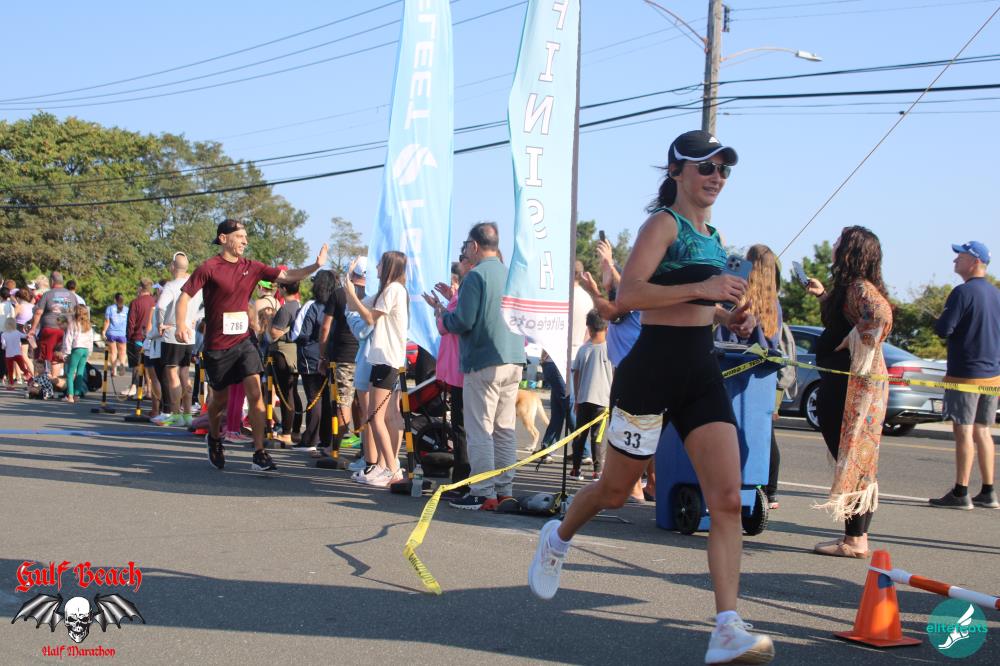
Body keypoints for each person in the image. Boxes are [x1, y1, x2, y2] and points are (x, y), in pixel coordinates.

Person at [527, 130, 771, 664]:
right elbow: (629, 296)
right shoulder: (663, 224)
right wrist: (704, 289)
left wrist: (730, 317)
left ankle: (726, 627)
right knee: (616, 492)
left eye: (723, 168)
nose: (716, 177)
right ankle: (557, 538)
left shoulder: (713, 236)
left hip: (701, 373)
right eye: (706, 166)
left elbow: (699, 305)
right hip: (650, 373)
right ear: (676, 171)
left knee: (728, 500)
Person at [174, 218, 328, 473]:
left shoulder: (252, 267)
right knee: (219, 401)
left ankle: (259, 452)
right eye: (240, 236)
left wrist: (315, 266)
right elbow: (185, 296)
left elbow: (287, 275)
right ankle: (214, 437)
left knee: (256, 394)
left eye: (246, 237)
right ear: (223, 238)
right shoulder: (209, 267)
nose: (245, 241)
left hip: (245, 341)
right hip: (218, 344)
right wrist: (180, 323)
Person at [803, 226, 893, 558]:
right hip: (842, 383)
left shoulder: (860, 287)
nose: (834, 244)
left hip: (850, 386)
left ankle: (855, 540)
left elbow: (880, 315)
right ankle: (855, 537)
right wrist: (823, 296)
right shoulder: (852, 288)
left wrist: (853, 339)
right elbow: (850, 317)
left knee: (854, 457)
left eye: (840, 241)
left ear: (851, 250)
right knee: (853, 456)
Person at [431, 222, 526, 511]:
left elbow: (463, 321)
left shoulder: (476, 276)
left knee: (480, 429)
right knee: (504, 429)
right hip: (513, 358)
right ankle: (504, 490)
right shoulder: (511, 273)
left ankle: (482, 492)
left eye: (465, 247)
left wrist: (442, 318)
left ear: (474, 246)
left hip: (483, 361)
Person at [929, 241, 1000, 510]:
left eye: (960, 256)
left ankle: (961, 491)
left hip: (966, 374)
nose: (955, 260)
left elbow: (944, 329)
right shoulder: (996, 294)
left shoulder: (962, 292)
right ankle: (988, 491)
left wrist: (940, 320)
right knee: (983, 430)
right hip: (993, 374)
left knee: (964, 431)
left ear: (975, 261)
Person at [715, 244, 784, 510]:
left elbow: (724, 338)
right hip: (763, 376)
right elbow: (774, 341)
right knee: (762, 432)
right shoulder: (774, 305)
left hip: (733, 370)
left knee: (727, 428)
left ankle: (726, 482)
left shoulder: (738, 300)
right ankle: (768, 490)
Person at [343, 252, 409, 488]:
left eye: (380, 264)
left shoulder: (394, 290)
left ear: (389, 266)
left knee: (376, 417)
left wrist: (352, 292)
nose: (377, 267)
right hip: (380, 359)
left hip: (388, 360)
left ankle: (392, 469)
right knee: (375, 416)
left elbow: (370, 318)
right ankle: (384, 467)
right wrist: (348, 284)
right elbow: (355, 306)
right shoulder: (386, 291)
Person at [423, 256, 474, 497]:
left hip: (459, 369)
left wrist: (438, 309)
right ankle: (466, 480)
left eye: (463, 259)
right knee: (466, 427)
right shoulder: (466, 292)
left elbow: (447, 325)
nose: (460, 262)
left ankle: (462, 481)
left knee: (462, 428)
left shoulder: (468, 291)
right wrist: (445, 302)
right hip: (461, 367)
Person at [320, 257, 368, 450]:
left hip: (344, 356)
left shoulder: (339, 294)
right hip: (366, 355)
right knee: (365, 404)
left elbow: (325, 327)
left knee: (343, 403)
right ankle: (366, 451)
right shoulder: (374, 294)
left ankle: (335, 449)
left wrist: (322, 355)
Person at [153, 252, 202, 427]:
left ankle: (175, 414)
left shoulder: (171, 286)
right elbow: (204, 306)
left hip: (173, 332)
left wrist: (160, 324)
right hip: (189, 334)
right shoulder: (196, 286)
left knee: (172, 373)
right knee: (184, 373)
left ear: (173, 267)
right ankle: (187, 414)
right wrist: (195, 318)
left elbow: (160, 306)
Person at [569, 310, 614, 481]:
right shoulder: (611, 349)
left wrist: (577, 396)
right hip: (603, 401)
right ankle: (598, 471)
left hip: (584, 399)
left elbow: (576, 374)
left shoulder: (583, 349)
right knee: (598, 437)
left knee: (580, 435)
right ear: (607, 328)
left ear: (588, 328)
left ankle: (576, 469)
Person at [293, 271, 334, 454]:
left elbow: (303, 333)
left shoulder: (314, 307)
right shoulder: (336, 307)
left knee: (313, 398)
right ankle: (325, 439)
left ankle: (310, 438)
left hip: (311, 356)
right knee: (326, 399)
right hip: (330, 356)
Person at [268, 282, 303, 445]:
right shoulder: (299, 306)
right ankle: (295, 431)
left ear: (283, 289)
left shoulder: (285, 308)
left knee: (285, 394)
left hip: (283, 353)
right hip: (295, 354)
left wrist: (270, 319)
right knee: (293, 392)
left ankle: (287, 433)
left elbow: (274, 333)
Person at [27, 271, 74, 376]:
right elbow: (75, 314)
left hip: (49, 329)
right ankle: (54, 380)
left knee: (41, 357)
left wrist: (33, 329)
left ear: (52, 281)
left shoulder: (48, 294)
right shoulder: (71, 295)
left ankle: (39, 382)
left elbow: (38, 312)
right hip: (65, 331)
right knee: (56, 357)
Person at [124, 279, 156, 398]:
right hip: (152, 339)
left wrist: (129, 337)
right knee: (149, 366)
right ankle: (149, 390)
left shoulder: (135, 302)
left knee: (137, 365)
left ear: (140, 288)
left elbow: (131, 323)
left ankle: (136, 389)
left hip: (137, 338)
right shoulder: (155, 302)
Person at [62, 304, 95, 403]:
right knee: (80, 372)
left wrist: (66, 352)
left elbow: (68, 339)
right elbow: (91, 340)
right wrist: (89, 352)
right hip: (85, 349)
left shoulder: (73, 324)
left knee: (70, 372)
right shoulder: (88, 325)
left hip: (76, 348)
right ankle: (77, 395)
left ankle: (70, 395)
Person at [102, 293, 129, 377]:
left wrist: (103, 331)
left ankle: (114, 370)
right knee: (123, 352)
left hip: (111, 333)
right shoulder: (126, 309)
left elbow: (107, 321)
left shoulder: (110, 308)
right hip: (122, 333)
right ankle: (122, 365)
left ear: (115, 299)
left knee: (113, 352)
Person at [2, 318, 32, 386]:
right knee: (23, 368)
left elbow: (3, 346)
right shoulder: (17, 332)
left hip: (9, 355)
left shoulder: (4, 334)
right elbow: (25, 336)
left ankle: (11, 384)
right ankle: (30, 380)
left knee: (10, 370)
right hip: (17, 354)